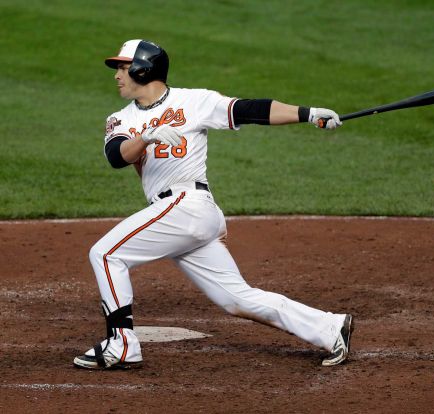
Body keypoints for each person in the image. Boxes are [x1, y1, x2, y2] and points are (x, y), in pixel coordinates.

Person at [73, 39, 353, 369]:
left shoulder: (194, 101)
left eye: (122, 67)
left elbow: (250, 110)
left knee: (106, 254)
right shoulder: (121, 119)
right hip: (181, 216)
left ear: (142, 68)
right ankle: (330, 328)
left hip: (188, 205)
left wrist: (308, 114)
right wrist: (146, 137)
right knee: (236, 299)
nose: (117, 75)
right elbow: (116, 156)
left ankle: (122, 345)